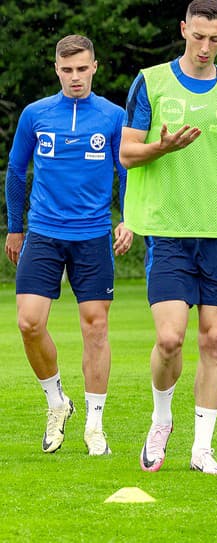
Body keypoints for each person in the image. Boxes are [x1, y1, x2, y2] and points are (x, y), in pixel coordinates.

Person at [119, 0, 217, 475]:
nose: (204, 47)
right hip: (169, 231)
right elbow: (126, 154)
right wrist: (162, 146)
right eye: (197, 36)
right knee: (170, 339)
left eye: (214, 38)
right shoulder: (150, 81)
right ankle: (161, 420)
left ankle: (202, 449)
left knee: (214, 340)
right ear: (183, 29)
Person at [4, 35, 132, 456]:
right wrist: (15, 226)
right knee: (29, 323)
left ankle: (95, 425)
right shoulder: (35, 114)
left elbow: (128, 172)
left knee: (95, 327)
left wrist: (129, 218)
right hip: (42, 232)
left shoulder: (114, 117)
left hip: (93, 235)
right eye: (67, 70)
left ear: (95, 66)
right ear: (56, 70)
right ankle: (57, 402)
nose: (75, 77)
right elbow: (16, 169)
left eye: (82, 69)